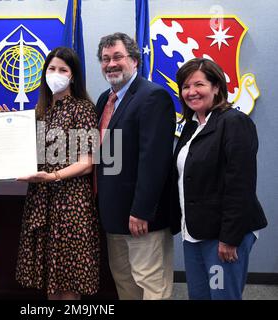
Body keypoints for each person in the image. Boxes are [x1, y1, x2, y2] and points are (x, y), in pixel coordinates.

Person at [171, 57, 267, 300]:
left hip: (222, 237)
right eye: (185, 87)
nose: (191, 92)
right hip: (193, 234)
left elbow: (240, 186)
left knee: (222, 296)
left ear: (216, 87)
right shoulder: (191, 126)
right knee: (200, 296)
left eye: (199, 85)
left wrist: (229, 239)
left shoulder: (234, 122)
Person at [95, 32, 176, 300]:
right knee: (125, 282)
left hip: (141, 217)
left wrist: (141, 211)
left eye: (117, 56)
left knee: (151, 283)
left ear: (134, 60)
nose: (111, 64)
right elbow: (104, 157)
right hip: (113, 214)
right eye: (105, 59)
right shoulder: (103, 100)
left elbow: (154, 160)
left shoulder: (153, 97)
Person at [15, 47, 100, 300]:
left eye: (63, 69)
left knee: (68, 276)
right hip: (43, 200)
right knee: (51, 277)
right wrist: (8, 125)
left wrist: (53, 177)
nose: (56, 74)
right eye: (51, 69)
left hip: (71, 201)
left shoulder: (82, 108)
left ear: (73, 76)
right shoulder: (41, 111)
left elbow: (87, 162)